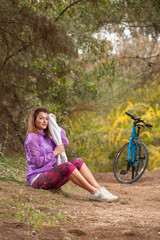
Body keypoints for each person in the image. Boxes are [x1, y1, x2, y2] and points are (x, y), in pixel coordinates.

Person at [24, 106, 118, 202]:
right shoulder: (32, 137)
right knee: (67, 166)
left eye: (47, 119)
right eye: (41, 118)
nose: (44, 121)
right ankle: (94, 193)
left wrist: (55, 125)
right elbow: (37, 162)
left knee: (78, 161)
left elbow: (65, 143)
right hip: (37, 179)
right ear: (34, 120)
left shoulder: (47, 138)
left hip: (50, 176)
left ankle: (100, 189)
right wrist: (55, 152)